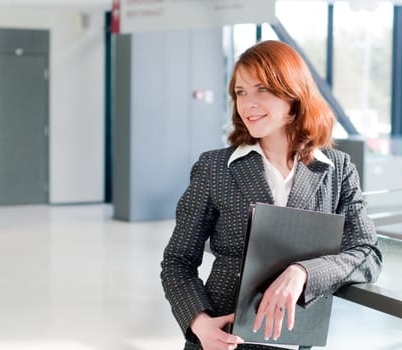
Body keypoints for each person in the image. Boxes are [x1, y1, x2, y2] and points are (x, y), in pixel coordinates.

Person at [161, 40, 382, 350]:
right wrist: (199, 323)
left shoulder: (336, 169)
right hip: (222, 339)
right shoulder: (215, 167)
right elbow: (177, 261)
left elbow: (367, 254)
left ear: (294, 95)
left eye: (261, 89)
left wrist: (303, 272)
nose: (247, 103)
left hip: (297, 340)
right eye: (240, 93)